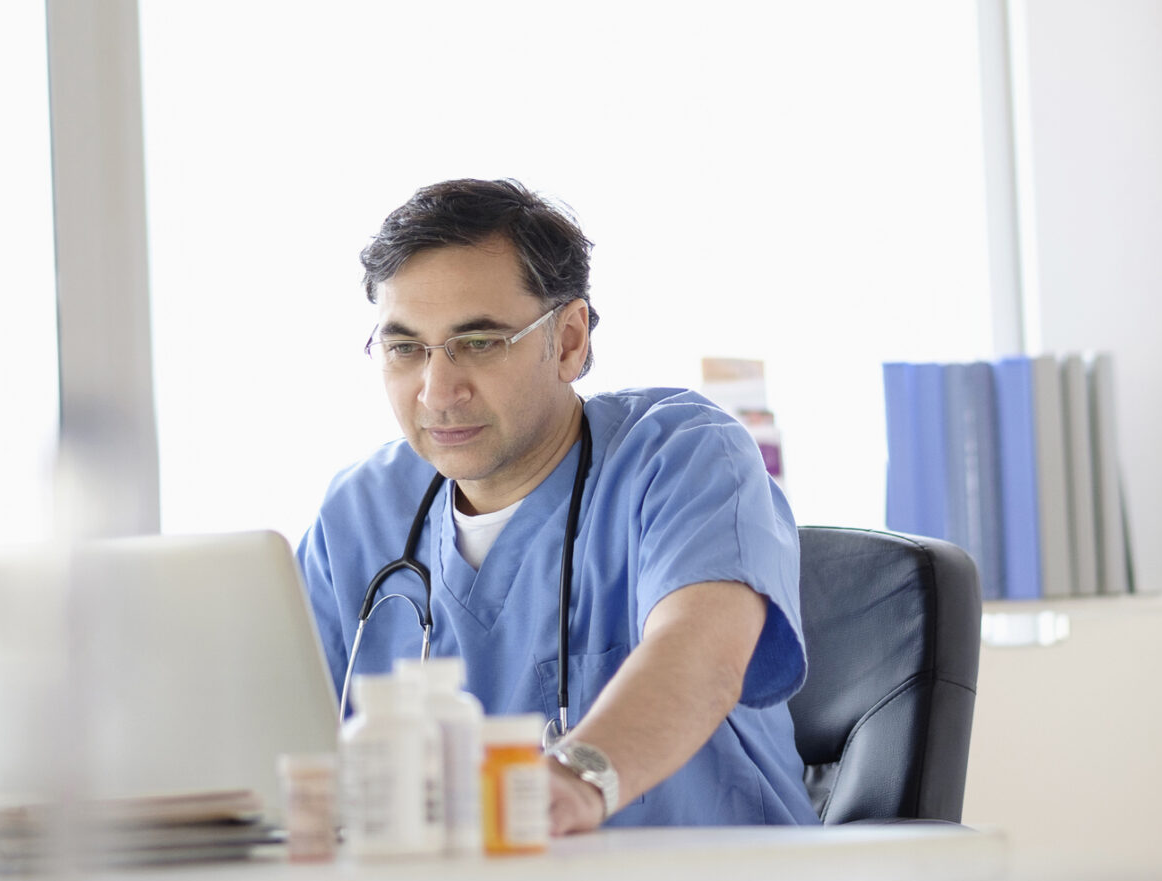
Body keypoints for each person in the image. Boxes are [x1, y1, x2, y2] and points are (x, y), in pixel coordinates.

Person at [296, 179, 818, 834]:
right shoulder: (359, 513)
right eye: (405, 349)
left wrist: (578, 779)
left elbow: (701, 653)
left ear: (569, 341)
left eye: (478, 342)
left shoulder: (681, 456)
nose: (437, 392)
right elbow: (274, 727)